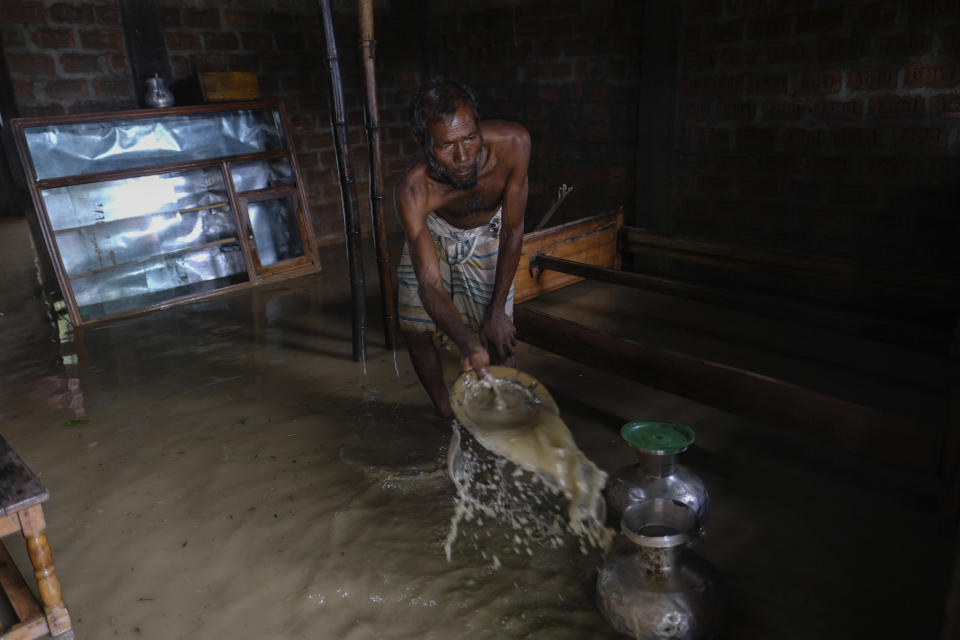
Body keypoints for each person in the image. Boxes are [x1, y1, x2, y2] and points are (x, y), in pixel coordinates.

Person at [395, 79, 530, 419]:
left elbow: (514, 229)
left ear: (479, 127)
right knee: (415, 329)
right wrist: (465, 343)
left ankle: (502, 416)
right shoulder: (414, 189)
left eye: (470, 137)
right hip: (434, 231)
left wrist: (498, 310)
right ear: (421, 143)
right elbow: (430, 282)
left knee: (497, 336)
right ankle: (445, 409)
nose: (463, 156)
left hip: (490, 232)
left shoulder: (514, 144)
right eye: (446, 146)